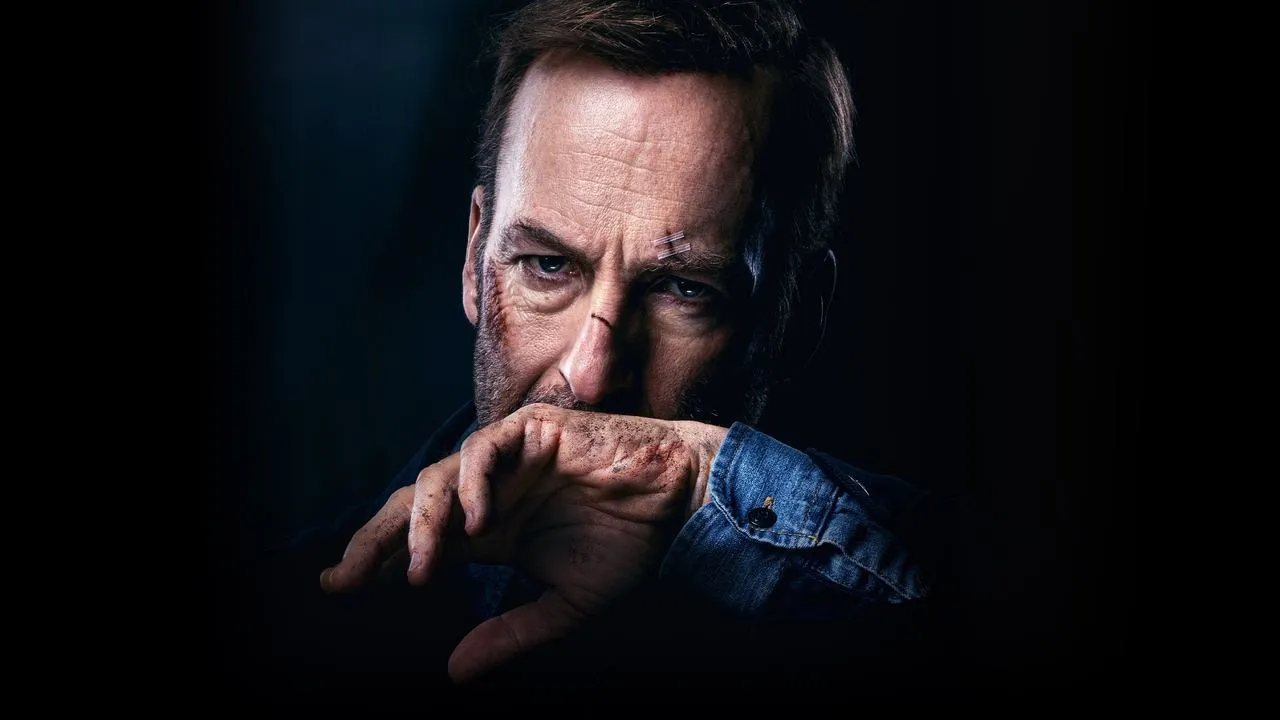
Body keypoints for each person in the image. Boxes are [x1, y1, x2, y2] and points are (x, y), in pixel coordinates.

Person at [245, 0, 996, 697]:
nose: (591, 377)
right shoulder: (285, 625)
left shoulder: (923, 589)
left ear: (798, 318)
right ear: (475, 260)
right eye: (547, 266)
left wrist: (708, 491)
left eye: (684, 289)